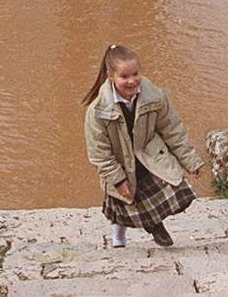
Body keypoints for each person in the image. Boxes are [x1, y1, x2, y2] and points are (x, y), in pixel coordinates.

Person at [82, 43, 206, 248]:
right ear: (110, 75)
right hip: (119, 162)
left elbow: (172, 129)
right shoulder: (97, 111)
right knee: (123, 201)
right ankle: (120, 239)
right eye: (124, 77)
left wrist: (191, 162)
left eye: (135, 74)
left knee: (180, 193)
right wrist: (118, 180)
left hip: (148, 155)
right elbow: (99, 153)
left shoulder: (154, 96)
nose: (131, 81)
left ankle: (153, 222)